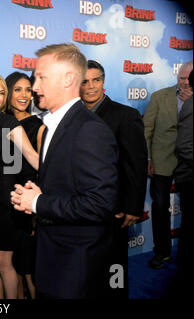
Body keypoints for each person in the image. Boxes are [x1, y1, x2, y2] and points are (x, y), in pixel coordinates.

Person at [11, 43, 118, 299]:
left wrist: (38, 202)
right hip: (54, 257)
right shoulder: (52, 126)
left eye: (42, 78)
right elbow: (70, 186)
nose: (35, 87)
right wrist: (41, 193)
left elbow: (100, 204)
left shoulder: (89, 129)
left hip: (77, 266)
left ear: (69, 79)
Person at [80, 60, 148, 298]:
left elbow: (136, 166)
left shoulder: (125, 115)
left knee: (114, 267)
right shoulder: (72, 116)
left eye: (95, 80)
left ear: (103, 82)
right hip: (80, 209)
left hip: (114, 210)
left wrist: (133, 206)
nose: (90, 87)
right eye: (84, 81)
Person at [0, 71, 39, 299]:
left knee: (3, 262)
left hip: (7, 204)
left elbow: (33, 157)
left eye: (1, 93)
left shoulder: (9, 122)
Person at [143, 61, 193, 269]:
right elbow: (147, 129)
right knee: (160, 207)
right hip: (162, 162)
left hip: (188, 164)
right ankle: (161, 252)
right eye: (181, 78)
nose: (184, 82)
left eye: (188, 79)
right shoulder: (159, 96)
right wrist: (148, 158)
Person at [5, 71, 44, 299]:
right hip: (5, 199)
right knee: (12, 264)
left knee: (29, 267)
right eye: (18, 89)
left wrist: (36, 210)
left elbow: (42, 168)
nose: (24, 95)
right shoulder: (0, 122)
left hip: (28, 202)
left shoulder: (37, 125)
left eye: (28, 90)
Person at [173, 69, 193, 293]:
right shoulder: (191, 105)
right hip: (188, 175)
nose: (186, 82)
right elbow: (184, 146)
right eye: (182, 78)